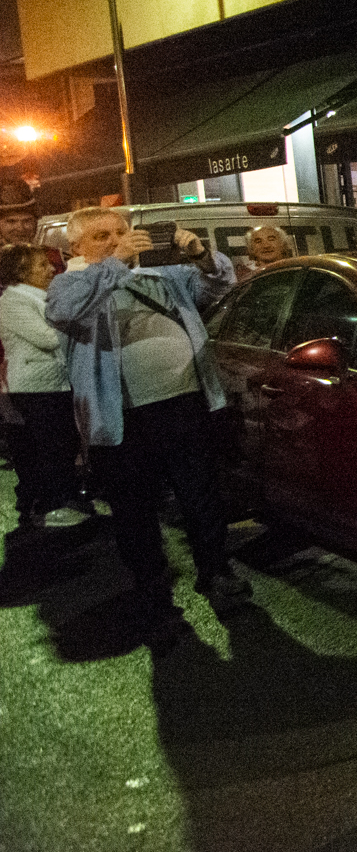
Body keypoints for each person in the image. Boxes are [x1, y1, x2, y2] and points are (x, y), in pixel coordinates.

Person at [44, 209, 244, 633]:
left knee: (200, 495)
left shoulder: (163, 275)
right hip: (122, 417)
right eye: (102, 235)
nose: (117, 239)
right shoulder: (69, 283)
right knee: (134, 509)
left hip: (183, 403)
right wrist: (115, 264)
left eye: (121, 231)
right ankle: (152, 590)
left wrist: (201, 255)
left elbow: (218, 286)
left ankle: (216, 572)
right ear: (76, 247)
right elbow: (66, 311)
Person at [0, 244, 84, 529]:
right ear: (20, 272)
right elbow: (47, 339)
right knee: (50, 448)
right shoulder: (13, 301)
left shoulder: (41, 298)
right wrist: (76, 322)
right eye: (41, 265)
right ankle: (51, 507)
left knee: (62, 444)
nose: (50, 270)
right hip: (35, 387)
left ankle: (64, 501)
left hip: (53, 384)